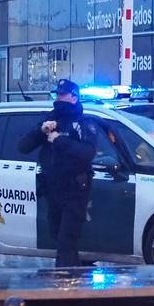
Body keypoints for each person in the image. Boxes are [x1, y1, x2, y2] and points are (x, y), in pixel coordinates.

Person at [18, 79, 96, 268]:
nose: (58, 98)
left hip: (74, 190)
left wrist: (60, 140)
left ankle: (64, 286)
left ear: (74, 97)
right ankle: (75, 275)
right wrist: (41, 130)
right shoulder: (49, 119)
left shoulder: (83, 123)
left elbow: (88, 152)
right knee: (57, 236)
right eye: (57, 94)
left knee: (66, 241)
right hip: (53, 189)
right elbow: (23, 147)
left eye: (63, 94)